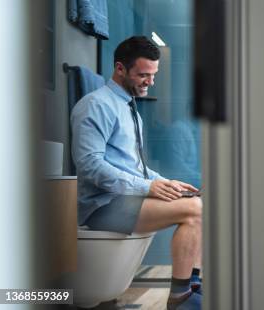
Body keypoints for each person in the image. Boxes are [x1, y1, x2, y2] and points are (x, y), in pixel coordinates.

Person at [71, 36, 203, 310]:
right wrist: (147, 187)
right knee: (194, 209)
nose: (150, 82)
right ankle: (181, 297)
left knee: (200, 203)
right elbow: (89, 165)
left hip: (123, 199)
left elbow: (133, 166)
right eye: (143, 75)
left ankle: (192, 288)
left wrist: (163, 182)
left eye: (153, 75)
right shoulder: (96, 105)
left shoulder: (130, 108)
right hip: (101, 206)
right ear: (120, 69)